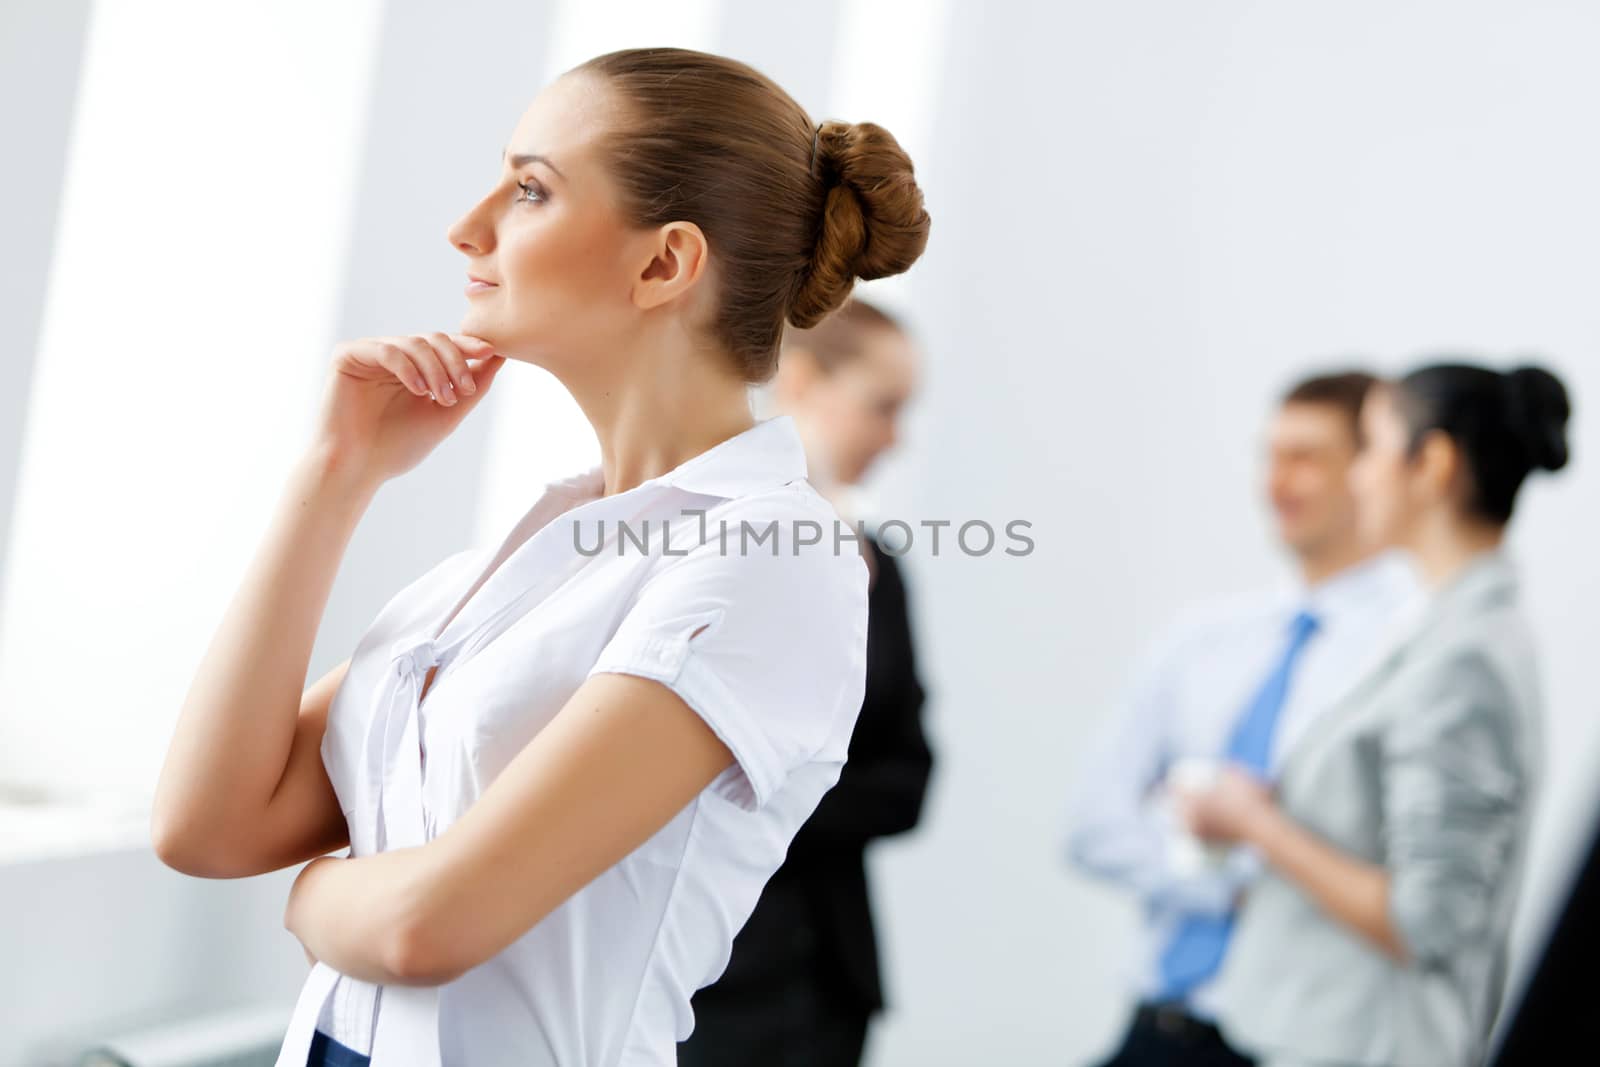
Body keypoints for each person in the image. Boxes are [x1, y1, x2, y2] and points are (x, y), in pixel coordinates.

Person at [149, 46, 931, 1067]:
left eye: (529, 188)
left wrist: (314, 891)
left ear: (664, 263)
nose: (466, 227)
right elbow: (208, 826)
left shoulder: (770, 558)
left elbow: (420, 929)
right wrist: (335, 476)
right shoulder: (534, 552)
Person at [1194, 363, 1572, 1067]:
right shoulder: (1438, 627)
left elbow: (1429, 918)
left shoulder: (1465, 657)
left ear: (1432, 464)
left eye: (1369, 448)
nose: (1357, 475)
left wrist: (1258, 825)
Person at [1065, 371, 1421, 1067]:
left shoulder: (1410, 659)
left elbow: (1408, 885)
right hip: (1157, 1030)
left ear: (1372, 469)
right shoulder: (1203, 642)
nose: (1276, 482)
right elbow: (1092, 825)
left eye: (1307, 457)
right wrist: (1228, 877)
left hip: (1301, 1045)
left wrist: (1238, 834)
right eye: (1271, 455)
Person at [678, 298, 935, 1067]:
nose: (896, 437)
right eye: (882, 407)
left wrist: (763, 783)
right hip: (704, 973)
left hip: (826, 977)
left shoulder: (878, 568)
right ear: (800, 381)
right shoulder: (701, 543)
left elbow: (911, 780)